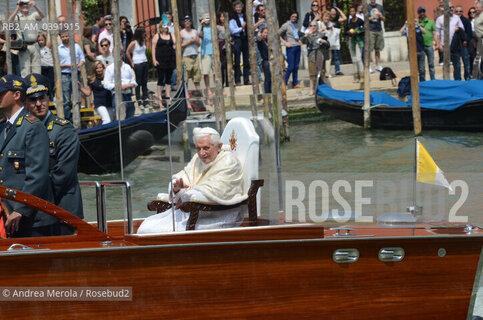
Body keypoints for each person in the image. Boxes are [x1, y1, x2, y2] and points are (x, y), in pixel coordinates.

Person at [137, 127, 247, 233]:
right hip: (191, 210)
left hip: (216, 215)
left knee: (154, 231)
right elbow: (184, 175)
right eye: (198, 148)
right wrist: (177, 188)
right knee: (146, 226)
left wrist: (186, 196)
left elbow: (218, 190)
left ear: (218, 147)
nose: (201, 153)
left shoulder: (229, 162)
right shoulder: (197, 159)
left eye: (206, 148)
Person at [24, 73, 83, 225]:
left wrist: (32, 196)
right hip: (34, 211)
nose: (38, 103)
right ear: (25, 103)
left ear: (48, 98)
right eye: (32, 100)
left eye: (42, 98)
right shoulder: (23, 131)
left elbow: (63, 174)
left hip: (63, 209)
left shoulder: (63, 130)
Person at [0, 74, 55, 237]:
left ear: (16, 95)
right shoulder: (3, 128)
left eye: (2, 93)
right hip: (8, 213)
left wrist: (20, 210)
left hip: (31, 218)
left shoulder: (32, 127)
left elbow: (37, 175)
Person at [8, 0, 45, 77]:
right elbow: (9, 21)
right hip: (24, 46)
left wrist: (35, 6)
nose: (25, 6)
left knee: (37, 69)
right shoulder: (17, 16)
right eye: (23, 4)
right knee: (25, 71)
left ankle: (37, 87)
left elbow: (42, 16)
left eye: (27, 4)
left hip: (35, 45)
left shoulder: (33, 15)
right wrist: (17, 9)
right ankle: (26, 87)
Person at [58, 31, 85, 121]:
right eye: (63, 36)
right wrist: (69, 65)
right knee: (66, 99)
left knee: (77, 97)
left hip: (76, 74)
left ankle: (78, 118)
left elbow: (82, 59)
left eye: (66, 36)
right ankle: (67, 119)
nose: (65, 38)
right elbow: (57, 64)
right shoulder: (58, 49)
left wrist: (79, 64)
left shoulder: (76, 47)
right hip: (64, 75)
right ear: (60, 37)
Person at [435, 4, 465, 80]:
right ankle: (446, 81)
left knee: (457, 65)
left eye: (452, 7)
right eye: (449, 7)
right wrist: (439, 45)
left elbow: (462, 28)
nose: (451, 8)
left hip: (455, 46)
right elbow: (437, 33)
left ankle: (457, 82)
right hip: (444, 46)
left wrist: (458, 29)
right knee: (445, 65)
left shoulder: (457, 18)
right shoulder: (440, 19)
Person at [152, 23, 176, 109]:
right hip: (160, 60)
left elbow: (175, 43)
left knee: (169, 79)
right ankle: (159, 98)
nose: (166, 28)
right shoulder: (157, 36)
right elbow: (153, 48)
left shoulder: (171, 35)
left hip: (170, 60)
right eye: (164, 26)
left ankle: (168, 97)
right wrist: (154, 60)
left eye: (167, 26)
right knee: (161, 79)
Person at [303, 21, 329, 95]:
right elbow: (302, 41)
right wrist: (307, 34)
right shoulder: (308, 35)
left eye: (314, 25)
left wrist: (324, 42)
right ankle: (311, 89)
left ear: (317, 26)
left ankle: (325, 88)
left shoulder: (321, 34)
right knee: (312, 74)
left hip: (320, 54)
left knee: (322, 72)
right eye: (311, 26)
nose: (313, 27)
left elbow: (328, 44)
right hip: (311, 54)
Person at [280, 11, 304, 88]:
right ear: (290, 17)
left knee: (296, 66)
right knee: (291, 66)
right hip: (290, 47)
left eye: (295, 17)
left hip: (297, 46)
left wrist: (300, 40)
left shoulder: (296, 25)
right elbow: (277, 34)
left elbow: (297, 35)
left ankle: (295, 83)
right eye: (293, 16)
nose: (294, 18)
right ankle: (284, 83)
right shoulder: (286, 25)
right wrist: (284, 42)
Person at [229, 1, 251, 85]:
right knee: (237, 60)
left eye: (240, 7)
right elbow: (232, 30)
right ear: (234, 8)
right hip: (237, 39)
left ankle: (246, 80)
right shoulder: (232, 17)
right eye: (237, 7)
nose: (238, 8)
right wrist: (241, 28)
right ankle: (237, 80)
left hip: (245, 39)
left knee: (246, 60)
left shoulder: (245, 16)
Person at [127, 28, 149, 107]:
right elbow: (128, 52)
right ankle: (138, 99)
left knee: (144, 82)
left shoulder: (143, 42)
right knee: (138, 82)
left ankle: (145, 98)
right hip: (137, 63)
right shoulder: (134, 43)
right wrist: (131, 62)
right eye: (143, 33)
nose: (144, 34)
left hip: (144, 62)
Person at [180, 16, 202, 92]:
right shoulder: (181, 32)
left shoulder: (195, 31)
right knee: (186, 79)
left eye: (189, 20)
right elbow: (179, 46)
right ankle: (187, 98)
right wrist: (188, 42)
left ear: (191, 22)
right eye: (186, 21)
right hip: (186, 57)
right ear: (184, 22)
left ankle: (199, 97)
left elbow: (199, 44)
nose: (187, 22)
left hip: (195, 57)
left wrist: (195, 41)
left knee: (197, 79)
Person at [346, 6, 365, 82]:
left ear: (355, 12)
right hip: (351, 40)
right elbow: (346, 31)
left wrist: (357, 31)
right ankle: (356, 76)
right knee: (353, 59)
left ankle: (362, 76)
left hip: (358, 40)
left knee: (358, 58)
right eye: (350, 11)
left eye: (353, 11)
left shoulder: (360, 20)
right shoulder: (349, 21)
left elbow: (363, 29)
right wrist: (349, 32)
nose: (352, 13)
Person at [417, 7, 436, 81]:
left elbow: (434, 33)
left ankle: (433, 80)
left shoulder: (431, 22)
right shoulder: (416, 22)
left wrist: (435, 44)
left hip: (429, 45)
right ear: (418, 13)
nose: (422, 13)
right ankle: (423, 82)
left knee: (431, 64)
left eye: (423, 11)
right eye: (420, 12)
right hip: (420, 47)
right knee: (421, 67)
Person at [199, 13, 215, 97]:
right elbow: (200, 35)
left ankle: (217, 88)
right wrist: (202, 25)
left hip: (215, 52)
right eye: (206, 19)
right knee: (206, 72)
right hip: (205, 53)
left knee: (216, 72)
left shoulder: (213, 27)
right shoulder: (200, 28)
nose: (207, 20)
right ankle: (208, 89)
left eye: (208, 18)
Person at [455, 5, 473, 80]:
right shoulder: (452, 21)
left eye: (460, 11)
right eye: (457, 11)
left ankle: (467, 78)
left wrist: (466, 41)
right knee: (456, 64)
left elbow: (469, 33)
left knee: (466, 63)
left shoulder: (466, 21)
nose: (458, 12)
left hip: (463, 45)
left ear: (462, 12)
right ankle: (457, 79)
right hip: (455, 45)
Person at [368, 0, 385, 72]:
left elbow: (384, 19)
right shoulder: (367, 7)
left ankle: (378, 65)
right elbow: (364, 20)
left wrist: (381, 16)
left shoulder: (380, 7)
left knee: (377, 49)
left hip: (379, 29)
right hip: (370, 30)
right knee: (369, 49)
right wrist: (371, 17)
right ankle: (368, 66)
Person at [329, 6, 347, 76]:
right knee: (328, 57)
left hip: (336, 41)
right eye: (332, 11)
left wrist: (339, 9)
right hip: (329, 40)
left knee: (337, 56)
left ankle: (337, 70)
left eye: (334, 11)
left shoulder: (338, 20)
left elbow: (345, 18)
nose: (333, 12)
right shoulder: (328, 20)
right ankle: (327, 71)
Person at [37, 32, 54, 100]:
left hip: (50, 67)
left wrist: (46, 35)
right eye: (39, 40)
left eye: (42, 40)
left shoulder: (47, 47)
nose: (41, 42)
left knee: (51, 82)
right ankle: (45, 97)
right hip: (42, 67)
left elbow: (51, 39)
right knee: (44, 83)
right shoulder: (37, 48)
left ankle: (52, 97)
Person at [257, 27, 271, 94]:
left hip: (271, 60)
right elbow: (259, 39)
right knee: (267, 78)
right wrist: (260, 36)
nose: (266, 34)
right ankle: (267, 93)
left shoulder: (269, 41)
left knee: (271, 78)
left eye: (267, 33)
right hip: (265, 61)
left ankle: (271, 92)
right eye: (265, 32)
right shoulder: (261, 41)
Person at [216, 12, 228, 87]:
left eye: (224, 17)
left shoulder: (228, 26)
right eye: (221, 17)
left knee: (228, 65)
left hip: (228, 46)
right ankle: (222, 82)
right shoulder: (217, 27)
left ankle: (228, 82)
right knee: (222, 65)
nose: (222, 18)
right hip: (220, 46)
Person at [468, 7, 478, 76]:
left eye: (473, 12)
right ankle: (472, 72)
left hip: (479, 38)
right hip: (471, 39)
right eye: (470, 12)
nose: (472, 14)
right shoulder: (468, 21)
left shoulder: (479, 20)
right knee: (472, 56)